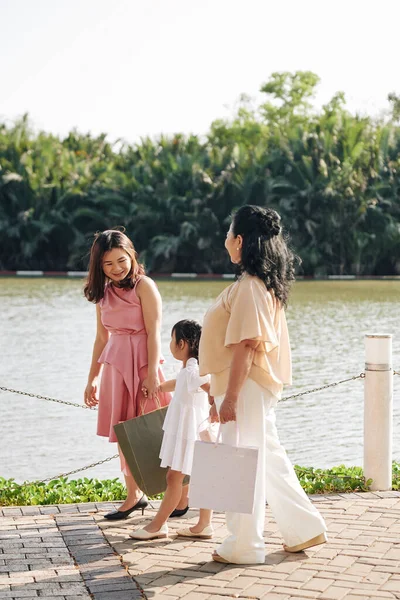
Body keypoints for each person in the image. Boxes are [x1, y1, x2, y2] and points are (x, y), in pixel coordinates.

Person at [199, 205, 327, 565]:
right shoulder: (258, 284)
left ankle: (244, 545)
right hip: (247, 387)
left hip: (247, 388)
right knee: (266, 458)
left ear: (239, 240)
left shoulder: (251, 287)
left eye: (228, 234)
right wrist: (220, 391)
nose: (225, 240)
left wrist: (231, 398)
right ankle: (303, 527)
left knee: (244, 461)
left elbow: (246, 346)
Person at [83, 229, 175, 520]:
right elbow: (100, 338)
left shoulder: (144, 286)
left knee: (157, 428)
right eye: (108, 264)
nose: (116, 268)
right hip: (114, 367)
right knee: (125, 434)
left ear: (132, 256)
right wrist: (92, 378)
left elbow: (154, 333)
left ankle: (180, 494)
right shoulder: (103, 294)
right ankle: (133, 496)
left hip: (144, 364)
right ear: (99, 267)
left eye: (121, 260)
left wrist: (151, 376)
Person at [130, 319, 213, 540]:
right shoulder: (190, 368)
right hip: (192, 431)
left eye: (172, 339)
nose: (170, 343)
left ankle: (158, 525)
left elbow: (205, 385)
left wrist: (216, 401)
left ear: (182, 344)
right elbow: (180, 383)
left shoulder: (194, 369)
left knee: (173, 478)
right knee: (199, 475)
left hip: (189, 432)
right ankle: (204, 524)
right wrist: (158, 387)